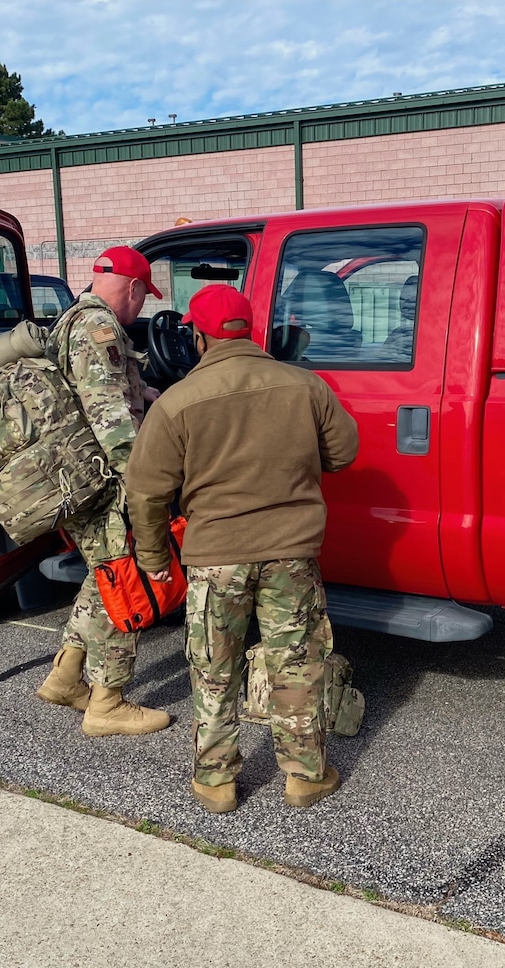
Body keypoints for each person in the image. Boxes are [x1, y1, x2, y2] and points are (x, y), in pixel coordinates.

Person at [123, 285, 359, 812]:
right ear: (248, 330)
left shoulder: (180, 401)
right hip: (291, 553)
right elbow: (343, 452)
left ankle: (216, 782)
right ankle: (305, 776)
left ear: (199, 336)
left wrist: (157, 560)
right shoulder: (305, 386)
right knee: (296, 665)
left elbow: (146, 492)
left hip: (214, 558)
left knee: (214, 670)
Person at [34, 245, 173, 737]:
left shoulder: (71, 319)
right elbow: (111, 422)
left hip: (77, 479)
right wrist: (143, 490)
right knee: (125, 579)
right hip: (105, 481)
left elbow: (99, 393)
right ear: (133, 288)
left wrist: (145, 392)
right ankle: (107, 703)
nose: (141, 308)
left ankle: (66, 677)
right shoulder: (101, 330)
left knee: (101, 577)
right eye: (143, 297)